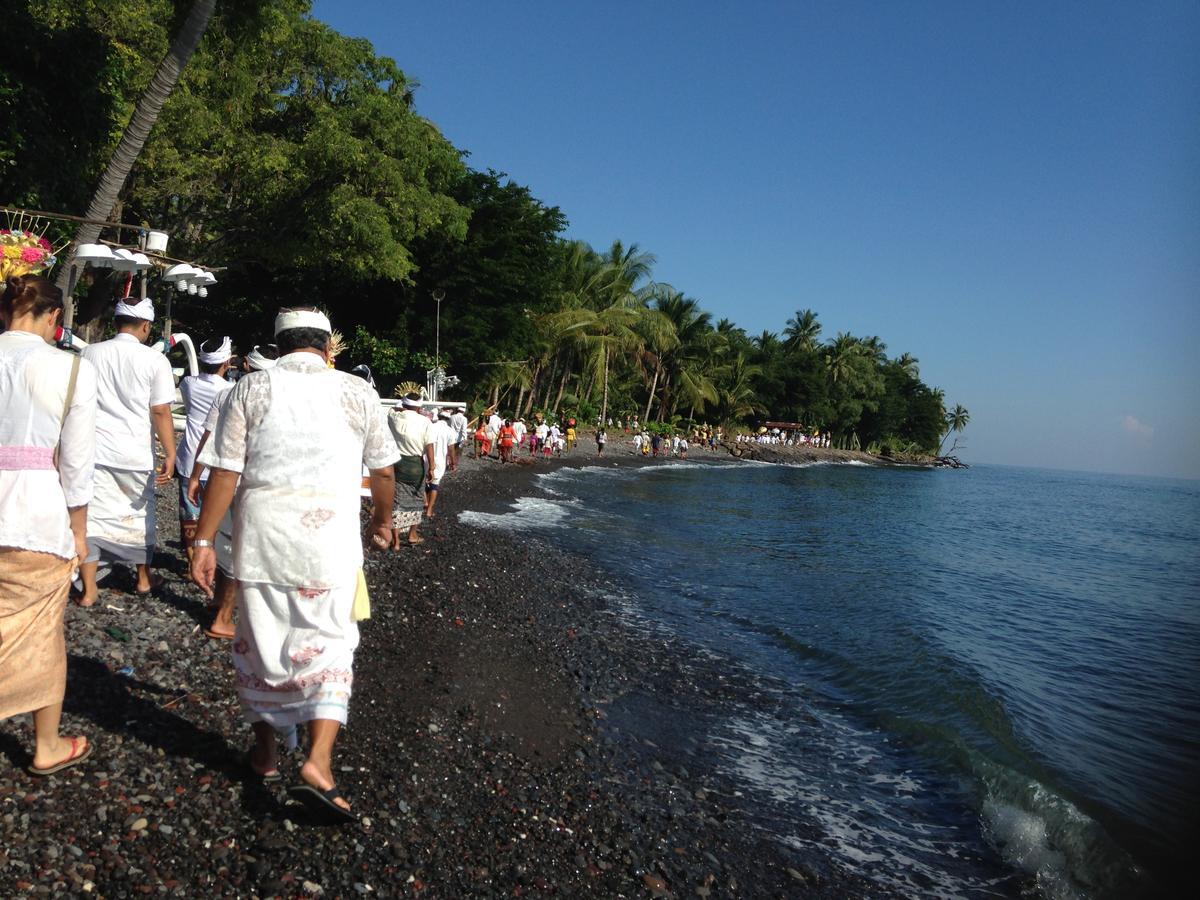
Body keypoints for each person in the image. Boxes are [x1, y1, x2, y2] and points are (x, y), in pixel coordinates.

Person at [190, 308, 397, 820]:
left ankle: (264, 754)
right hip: (329, 541)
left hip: (262, 539)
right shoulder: (357, 392)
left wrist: (203, 541)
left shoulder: (250, 389)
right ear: (329, 348)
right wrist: (382, 520)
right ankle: (317, 764)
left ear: (277, 346)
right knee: (330, 645)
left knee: (261, 644)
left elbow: (225, 471)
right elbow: (384, 470)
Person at [0, 276, 97, 775]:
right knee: (41, 634)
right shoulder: (70, 369)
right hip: (36, 514)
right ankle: (46, 743)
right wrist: (79, 534)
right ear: (55, 318)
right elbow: (76, 467)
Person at [77, 297, 176, 606]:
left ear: (116, 322)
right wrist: (170, 453)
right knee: (140, 514)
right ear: (145, 326)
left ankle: (90, 588)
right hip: (135, 452)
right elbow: (160, 410)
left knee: (92, 515)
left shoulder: (89, 353)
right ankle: (144, 578)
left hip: (95, 449)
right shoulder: (154, 360)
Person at [187, 344, 277, 640]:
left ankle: (218, 606)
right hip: (257, 484)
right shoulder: (280, 396)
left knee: (226, 547)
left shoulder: (229, 393)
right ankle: (225, 616)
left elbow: (209, 437)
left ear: (247, 367)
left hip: (226, 482)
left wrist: (196, 475)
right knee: (246, 552)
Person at [176, 336, 234, 559]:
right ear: (226, 362)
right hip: (218, 457)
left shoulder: (188, 384)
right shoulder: (231, 389)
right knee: (215, 512)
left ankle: (191, 559)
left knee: (190, 512)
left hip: (190, 455)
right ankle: (211, 555)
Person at [388, 393, 436, 547]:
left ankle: (396, 542)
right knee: (417, 500)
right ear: (419, 406)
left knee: (396, 501)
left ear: (404, 403)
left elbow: (392, 408)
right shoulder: (425, 421)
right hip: (415, 465)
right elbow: (429, 446)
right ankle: (412, 535)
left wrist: (402, 407)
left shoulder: (394, 417)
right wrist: (432, 468)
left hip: (397, 463)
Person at [425, 409, 455, 519]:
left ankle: (425, 501)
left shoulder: (431, 427)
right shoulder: (450, 431)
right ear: (447, 419)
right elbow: (451, 449)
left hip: (427, 457)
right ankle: (429, 510)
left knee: (425, 481)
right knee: (434, 485)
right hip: (440, 460)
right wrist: (453, 462)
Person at [449, 404, 468, 472]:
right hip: (459, 438)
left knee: (450, 452)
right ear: (463, 411)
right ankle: (454, 466)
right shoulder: (464, 419)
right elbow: (463, 430)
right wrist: (465, 438)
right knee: (457, 453)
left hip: (451, 436)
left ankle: (451, 464)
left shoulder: (451, 417)